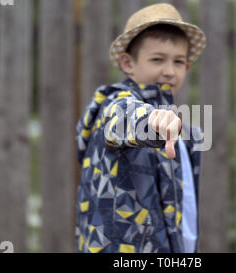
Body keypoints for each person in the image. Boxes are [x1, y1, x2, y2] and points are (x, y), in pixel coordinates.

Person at [75, 3, 206, 253]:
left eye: (178, 62)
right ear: (127, 63)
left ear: (186, 68)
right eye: (157, 59)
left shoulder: (185, 136)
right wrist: (151, 121)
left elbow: (184, 212)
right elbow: (122, 118)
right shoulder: (113, 105)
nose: (169, 71)